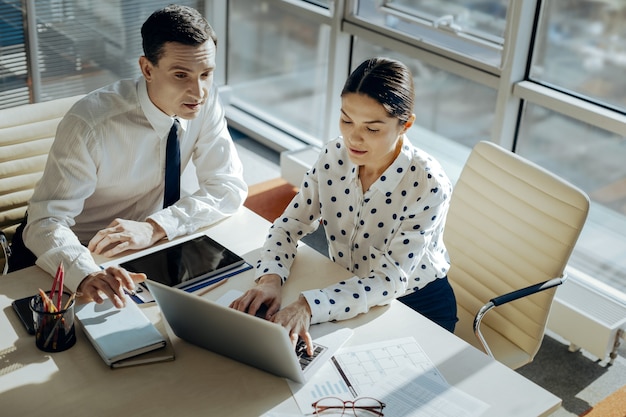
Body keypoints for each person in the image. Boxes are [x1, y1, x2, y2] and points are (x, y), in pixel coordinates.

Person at [18, 4, 247, 308]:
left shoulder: (204, 102)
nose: (199, 91)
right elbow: (45, 221)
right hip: (72, 253)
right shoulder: (90, 123)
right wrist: (84, 274)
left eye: (206, 74)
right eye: (181, 75)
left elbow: (227, 185)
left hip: (140, 246)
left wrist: (156, 227)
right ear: (147, 69)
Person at [231, 57, 457, 354]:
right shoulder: (334, 155)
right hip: (345, 285)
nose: (354, 137)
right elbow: (289, 226)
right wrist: (270, 279)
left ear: (406, 125)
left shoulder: (428, 183)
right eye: (346, 120)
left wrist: (308, 305)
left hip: (414, 304)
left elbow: (388, 281)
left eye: (373, 129)